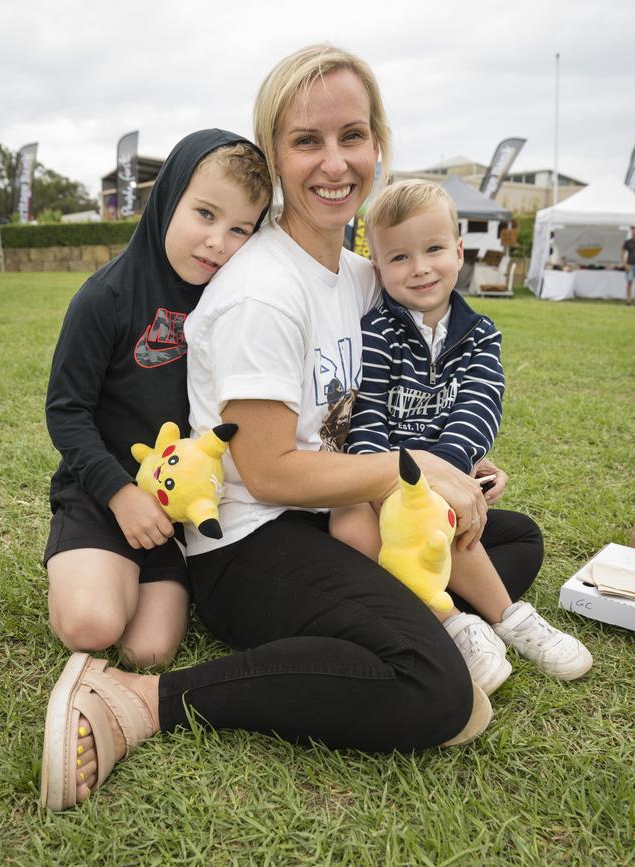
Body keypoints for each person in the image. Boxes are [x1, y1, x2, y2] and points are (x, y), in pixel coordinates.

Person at [42, 45, 543, 812]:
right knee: (437, 692)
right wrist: (409, 468)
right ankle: (139, 698)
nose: (335, 162)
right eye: (307, 140)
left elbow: (384, 391)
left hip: (328, 515)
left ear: (378, 142)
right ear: (276, 155)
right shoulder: (262, 291)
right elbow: (271, 471)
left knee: (513, 541)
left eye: (354, 135)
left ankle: (367, 636)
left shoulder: (353, 273)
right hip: (250, 542)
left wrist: (453, 460)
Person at [330, 179, 593, 694]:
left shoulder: (480, 334)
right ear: (377, 268)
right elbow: (368, 417)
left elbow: (479, 407)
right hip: (381, 472)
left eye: (433, 250)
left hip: (442, 477)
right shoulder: (375, 331)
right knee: (348, 527)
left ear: (458, 250)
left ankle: (512, 620)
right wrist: (402, 479)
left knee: (480, 525)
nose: (421, 267)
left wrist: (451, 473)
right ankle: (452, 621)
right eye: (400, 257)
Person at [43, 130, 271, 669]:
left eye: (240, 228)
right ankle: (76, 556)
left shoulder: (236, 301)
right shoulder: (106, 297)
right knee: (92, 625)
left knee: (148, 653)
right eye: (206, 214)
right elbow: (65, 411)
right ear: (167, 197)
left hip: (177, 509)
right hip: (104, 495)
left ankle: (145, 573)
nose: (218, 241)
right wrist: (119, 494)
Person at [622, 226, 635, 305]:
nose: (634, 231)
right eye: (633, 230)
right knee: (629, 283)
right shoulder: (627, 242)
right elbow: (622, 254)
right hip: (630, 265)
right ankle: (628, 301)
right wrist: (625, 264)